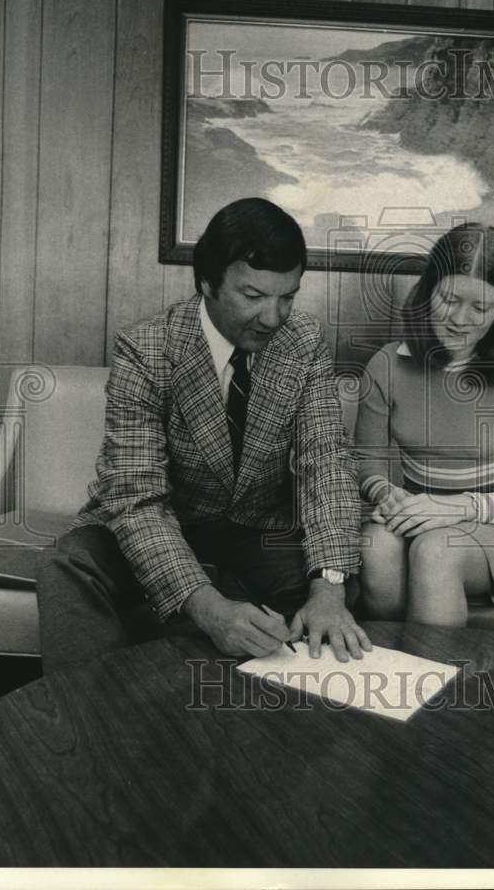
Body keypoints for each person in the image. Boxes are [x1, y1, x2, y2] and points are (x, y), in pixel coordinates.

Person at [37, 197, 371, 672]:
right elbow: (137, 498)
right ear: (207, 283)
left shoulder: (303, 340)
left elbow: (327, 463)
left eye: (288, 296)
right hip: (167, 523)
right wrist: (209, 608)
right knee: (68, 564)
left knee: (339, 578)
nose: (274, 317)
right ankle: (98, 720)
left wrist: (329, 588)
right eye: (253, 296)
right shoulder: (147, 348)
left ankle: (285, 717)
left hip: (256, 531)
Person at [355, 222, 494, 627]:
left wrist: (456, 507)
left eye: (480, 308)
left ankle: (441, 687)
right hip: (418, 514)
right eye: (448, 299)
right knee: (375, 546)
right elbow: (367, 463)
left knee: (435, 549)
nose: (461, 319)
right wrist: (386, 492)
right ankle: (390, 678)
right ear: (427, 291)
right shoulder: (386, 365)